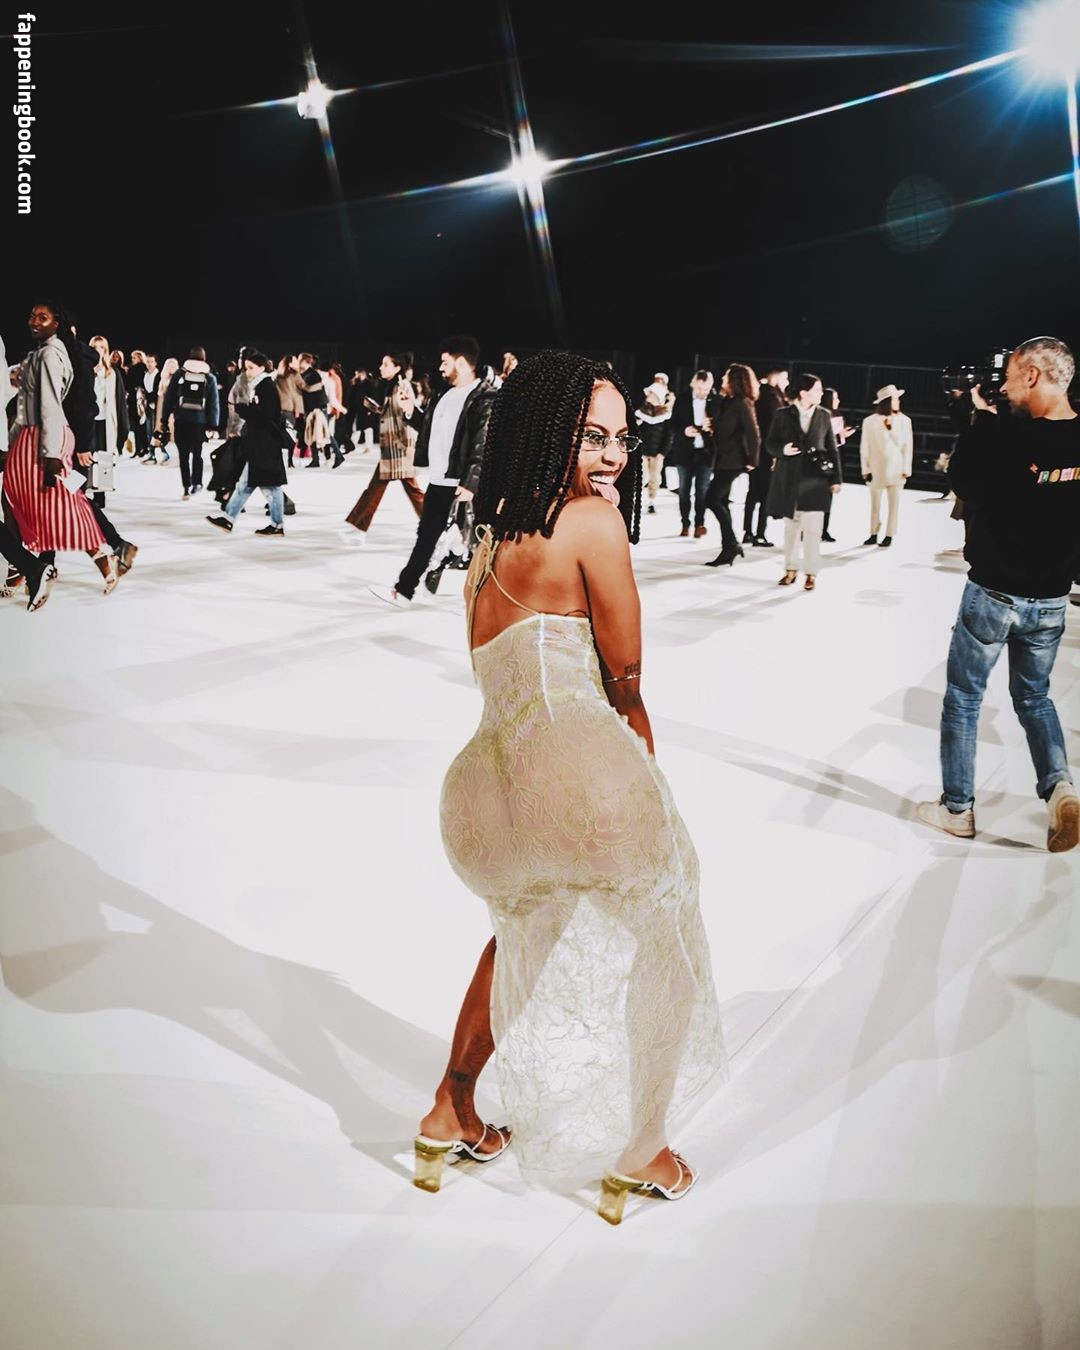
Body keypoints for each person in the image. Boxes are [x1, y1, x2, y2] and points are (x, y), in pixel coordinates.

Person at [415, 350, 724, 1222]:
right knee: (666, 933)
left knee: (515, 937)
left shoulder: (486, 539)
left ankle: (450, 1108)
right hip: (579, 773)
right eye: (592, 436)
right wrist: (648, 779)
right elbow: (624, 681)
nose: (613, 455)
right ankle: (644, 1150)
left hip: (481, 796)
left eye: (622, 439)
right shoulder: (591, 521)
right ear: (547, 431)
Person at [916, 336, 1080, 852]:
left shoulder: (1005, 433)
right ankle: (1060, 788)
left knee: (964, 699)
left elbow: (964, 483)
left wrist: (982, 420)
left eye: (1009, 378)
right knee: (1035, 698)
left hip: (993, 594)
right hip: (1052, 599)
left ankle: (957, 809)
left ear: (1032, 375)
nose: (1003, 388)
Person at [3, 301, 119, 599]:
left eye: (43, 317)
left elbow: (51, 405)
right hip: (35, 437)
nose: (34, 321)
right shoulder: (42, 353)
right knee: (29, 501)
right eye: (32, 316)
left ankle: (32, 566)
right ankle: (27, 567)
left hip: (45, 438)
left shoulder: (52, 355)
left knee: (59, 505)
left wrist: (52, 453)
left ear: (57, 324)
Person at [370, 336, 495, 607]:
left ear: (461, 363)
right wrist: (411, 411)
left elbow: (482, 442)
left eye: (445, 362)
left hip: (462, 484)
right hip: (439, 479)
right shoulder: (443, 394)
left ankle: (486, 600)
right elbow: (429, 429)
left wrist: (471, 482)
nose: (440, 368)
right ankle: (405, 590)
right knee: (427, 536)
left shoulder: (484, 398)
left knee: (477, 544)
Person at [765, 372, 841, 591]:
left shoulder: (824, 415)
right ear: (803, 392)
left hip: (816, 481)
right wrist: (782, 450)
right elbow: (769, 444)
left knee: (813, 531)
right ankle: (790, 570)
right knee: (791, 529)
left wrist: (836, 478)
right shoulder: (782, 415)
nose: (821, 393)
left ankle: (810, 573)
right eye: (817, 389)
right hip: (789, 479)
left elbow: (832, 448)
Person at [342, 352, 425, 542]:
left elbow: (409, 417)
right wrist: (379, 409)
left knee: (412, 493)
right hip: (392, 448)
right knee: (377, 490)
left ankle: (437, 526)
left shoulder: (402, 386)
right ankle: (358, 528)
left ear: (397, 368)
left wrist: (410, 446)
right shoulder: (391, 386)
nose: (381, 367)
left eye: (386, 364)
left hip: (400, 448)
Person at [206, 350, 289, 536]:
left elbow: (267, 416)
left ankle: (275, 525)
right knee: (247, 484)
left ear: (261, 368)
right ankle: (229, 519)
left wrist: (245, 410)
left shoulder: (266, 387)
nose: (248, 371)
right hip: (260, 444)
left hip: (265, 445)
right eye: (246, 368)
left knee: (270, 487)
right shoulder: (261, 385)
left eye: (251, 368)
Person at [704, 363, 760, 567]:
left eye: (726, 377)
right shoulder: (728, 401)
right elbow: (723, 428)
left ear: (734, 380)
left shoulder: (743, 403)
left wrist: (753, 460)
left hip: (733, 460)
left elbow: (753, 433)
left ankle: (732, 544)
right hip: (723, 459)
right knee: (721, 501)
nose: (722, 380)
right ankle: (729, 547)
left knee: (711, 499)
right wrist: (711, 426)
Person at [161, 345, 220, 499]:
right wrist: (213, 425)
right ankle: (197, 483)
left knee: (183, 455)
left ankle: (186, 487)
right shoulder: (210, 377)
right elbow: (214, 403)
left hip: (181, 420)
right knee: (198, 453)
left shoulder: (180, 374)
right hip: (199, 422)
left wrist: (164, 419)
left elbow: (169, 398)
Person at [860, 383, 913, 547]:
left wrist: (906, 469)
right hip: (877, 468)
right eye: (895, 399)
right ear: (887, 401)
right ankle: (873, 532)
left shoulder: (905, 421)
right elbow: (864, 446)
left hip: (897, 468)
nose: (898, 401)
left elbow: (908, 446)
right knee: (875, 504)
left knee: (894, 504)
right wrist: (865, 469)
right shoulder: (870, 421)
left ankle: (889, 534)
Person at [668, 370, 718, 539]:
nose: (702, 392)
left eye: (706, 389)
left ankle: (699, 524)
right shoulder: (682, 399)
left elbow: (723, 425)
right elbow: (672, 424)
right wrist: (684, 431)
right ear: (693, 385)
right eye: (699, 389)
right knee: (684, 490)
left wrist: (712, 427)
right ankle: (685, 523)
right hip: (684, 451)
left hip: (706, 452)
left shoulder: (715, 400)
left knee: (702, 491)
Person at [743, 367, 787, 546]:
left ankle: (747, 531)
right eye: (784, 379)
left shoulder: (756, 396)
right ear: (775, 379)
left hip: (754, 450)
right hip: (768, 452)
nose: (787, 383)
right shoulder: (774, 399)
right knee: (766, 494)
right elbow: (774, 429)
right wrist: (776, 454)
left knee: (752, 492)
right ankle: (760, 533)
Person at [635, 373, 675, 515]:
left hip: (657, 453)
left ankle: (652, 501)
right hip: (643, 452)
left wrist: (662, 453)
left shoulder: (665, 415)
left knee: (655, 478)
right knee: (641, 477)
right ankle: (637, 500)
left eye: (652, 394)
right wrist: (636, 425)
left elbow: (669, 436)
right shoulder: (641, 412)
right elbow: (635, 432)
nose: (649, 396)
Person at [819, 387, 853, 542]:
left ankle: (824, 529)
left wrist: (843, 435)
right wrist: (840, 436)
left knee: (827, 497)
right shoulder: (821, 416)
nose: (837, 401)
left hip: (831, 460)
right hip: (820, 459)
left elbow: (836, 442)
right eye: (834, 398)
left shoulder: (837, 416)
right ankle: (810, 529)